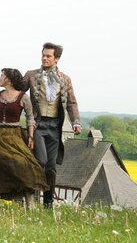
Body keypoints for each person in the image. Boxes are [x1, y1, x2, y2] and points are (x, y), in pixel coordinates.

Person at [23, 42, 82, 208]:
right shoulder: (31, 75)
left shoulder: (65, 79)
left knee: (51, 167)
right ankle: (30, 199)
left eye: (48, 56)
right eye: (43, 55)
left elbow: (71, 103)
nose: (44, 58)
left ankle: (48, 204)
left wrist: (76, 122)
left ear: (56, 59)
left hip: (55, 127)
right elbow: (17, 92)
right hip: (38, 125)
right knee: (40, 161)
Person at [0, 69, 48, 207]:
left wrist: (31, 136)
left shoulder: (23, 97)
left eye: (2, 76)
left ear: (9, 79)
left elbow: (30, 118)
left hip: (15, 135)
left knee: (24, 163)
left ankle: (28, 199)